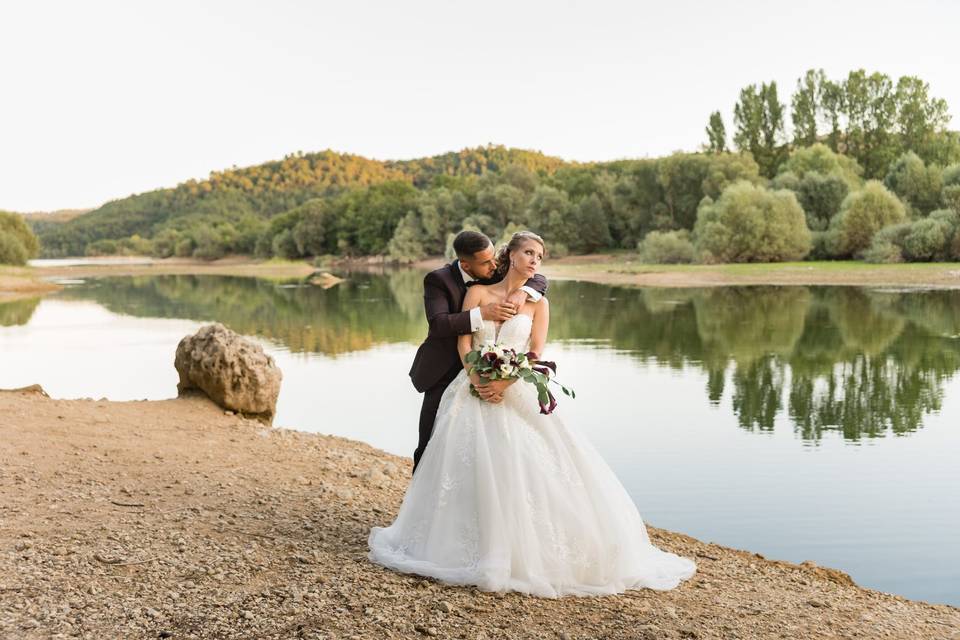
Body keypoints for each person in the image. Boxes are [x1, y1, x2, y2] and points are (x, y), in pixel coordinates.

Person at [369, 231, 696, 598]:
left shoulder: (537, 299)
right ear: (504, 256)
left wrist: (505, 383)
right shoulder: (470, 289)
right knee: (442, 453)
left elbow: (536, 351)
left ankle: (523, 544)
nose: (535, 260)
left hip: (513, 387)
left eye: (540, 255)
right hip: (463, 382)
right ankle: (438, 533)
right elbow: (458, 335)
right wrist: (477, 376)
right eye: (528, 253)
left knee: (525, 462)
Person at [408, 230, 547, 474]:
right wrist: (483, 314)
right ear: (466, 265)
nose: (494, 266)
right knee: (430, 444)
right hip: (445, 371)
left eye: (495, 257)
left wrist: (523, 291)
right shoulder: (439, 280)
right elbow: (439, 324)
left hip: (504, 378)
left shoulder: (498, 270)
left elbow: (536, 276)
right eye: (485, 262)